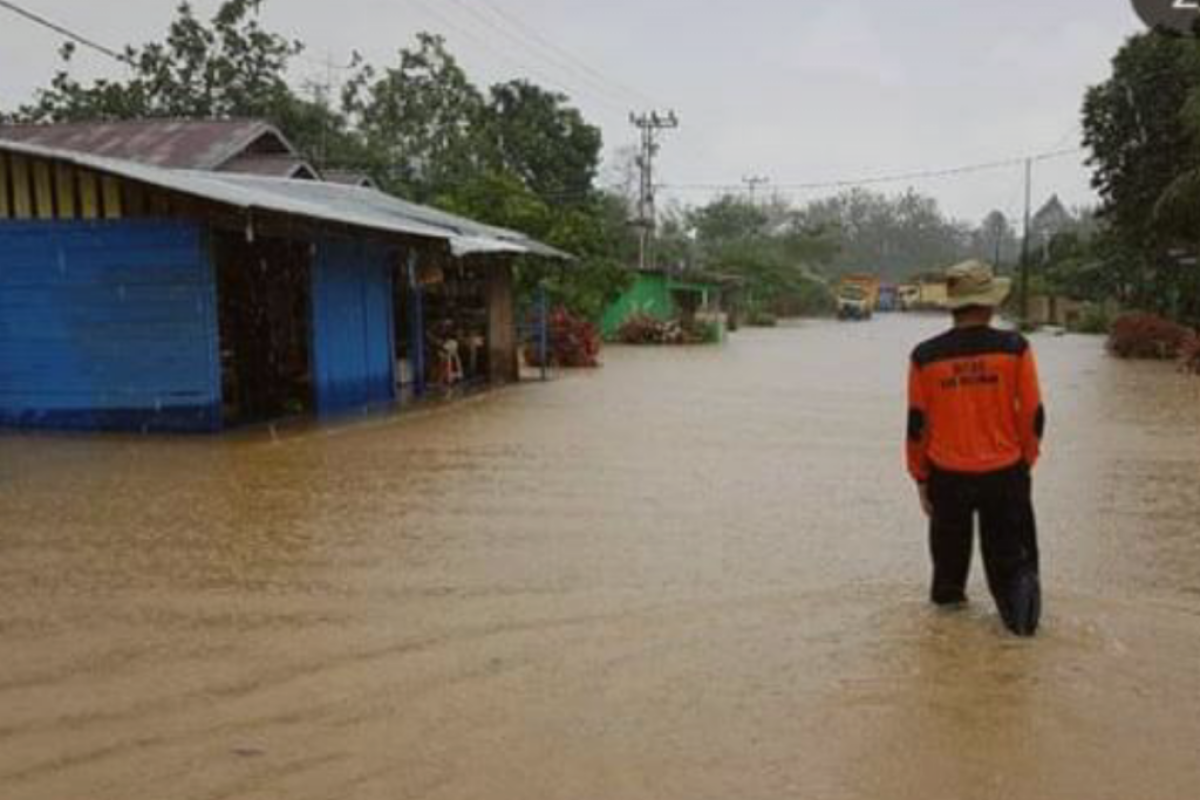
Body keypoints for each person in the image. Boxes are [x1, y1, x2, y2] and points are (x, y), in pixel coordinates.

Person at [906, 260, 1046, 637]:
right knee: (1014, 569)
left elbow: (918, 425)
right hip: (1005, 474)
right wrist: (1024, 463)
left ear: (953, 305)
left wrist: (921, 477)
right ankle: (1019, 641)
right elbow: (1033, 415)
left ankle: (947, 657)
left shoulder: (925, 356)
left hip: (947, 478)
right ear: (990, 304)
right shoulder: (1015, 348)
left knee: (948, 578)